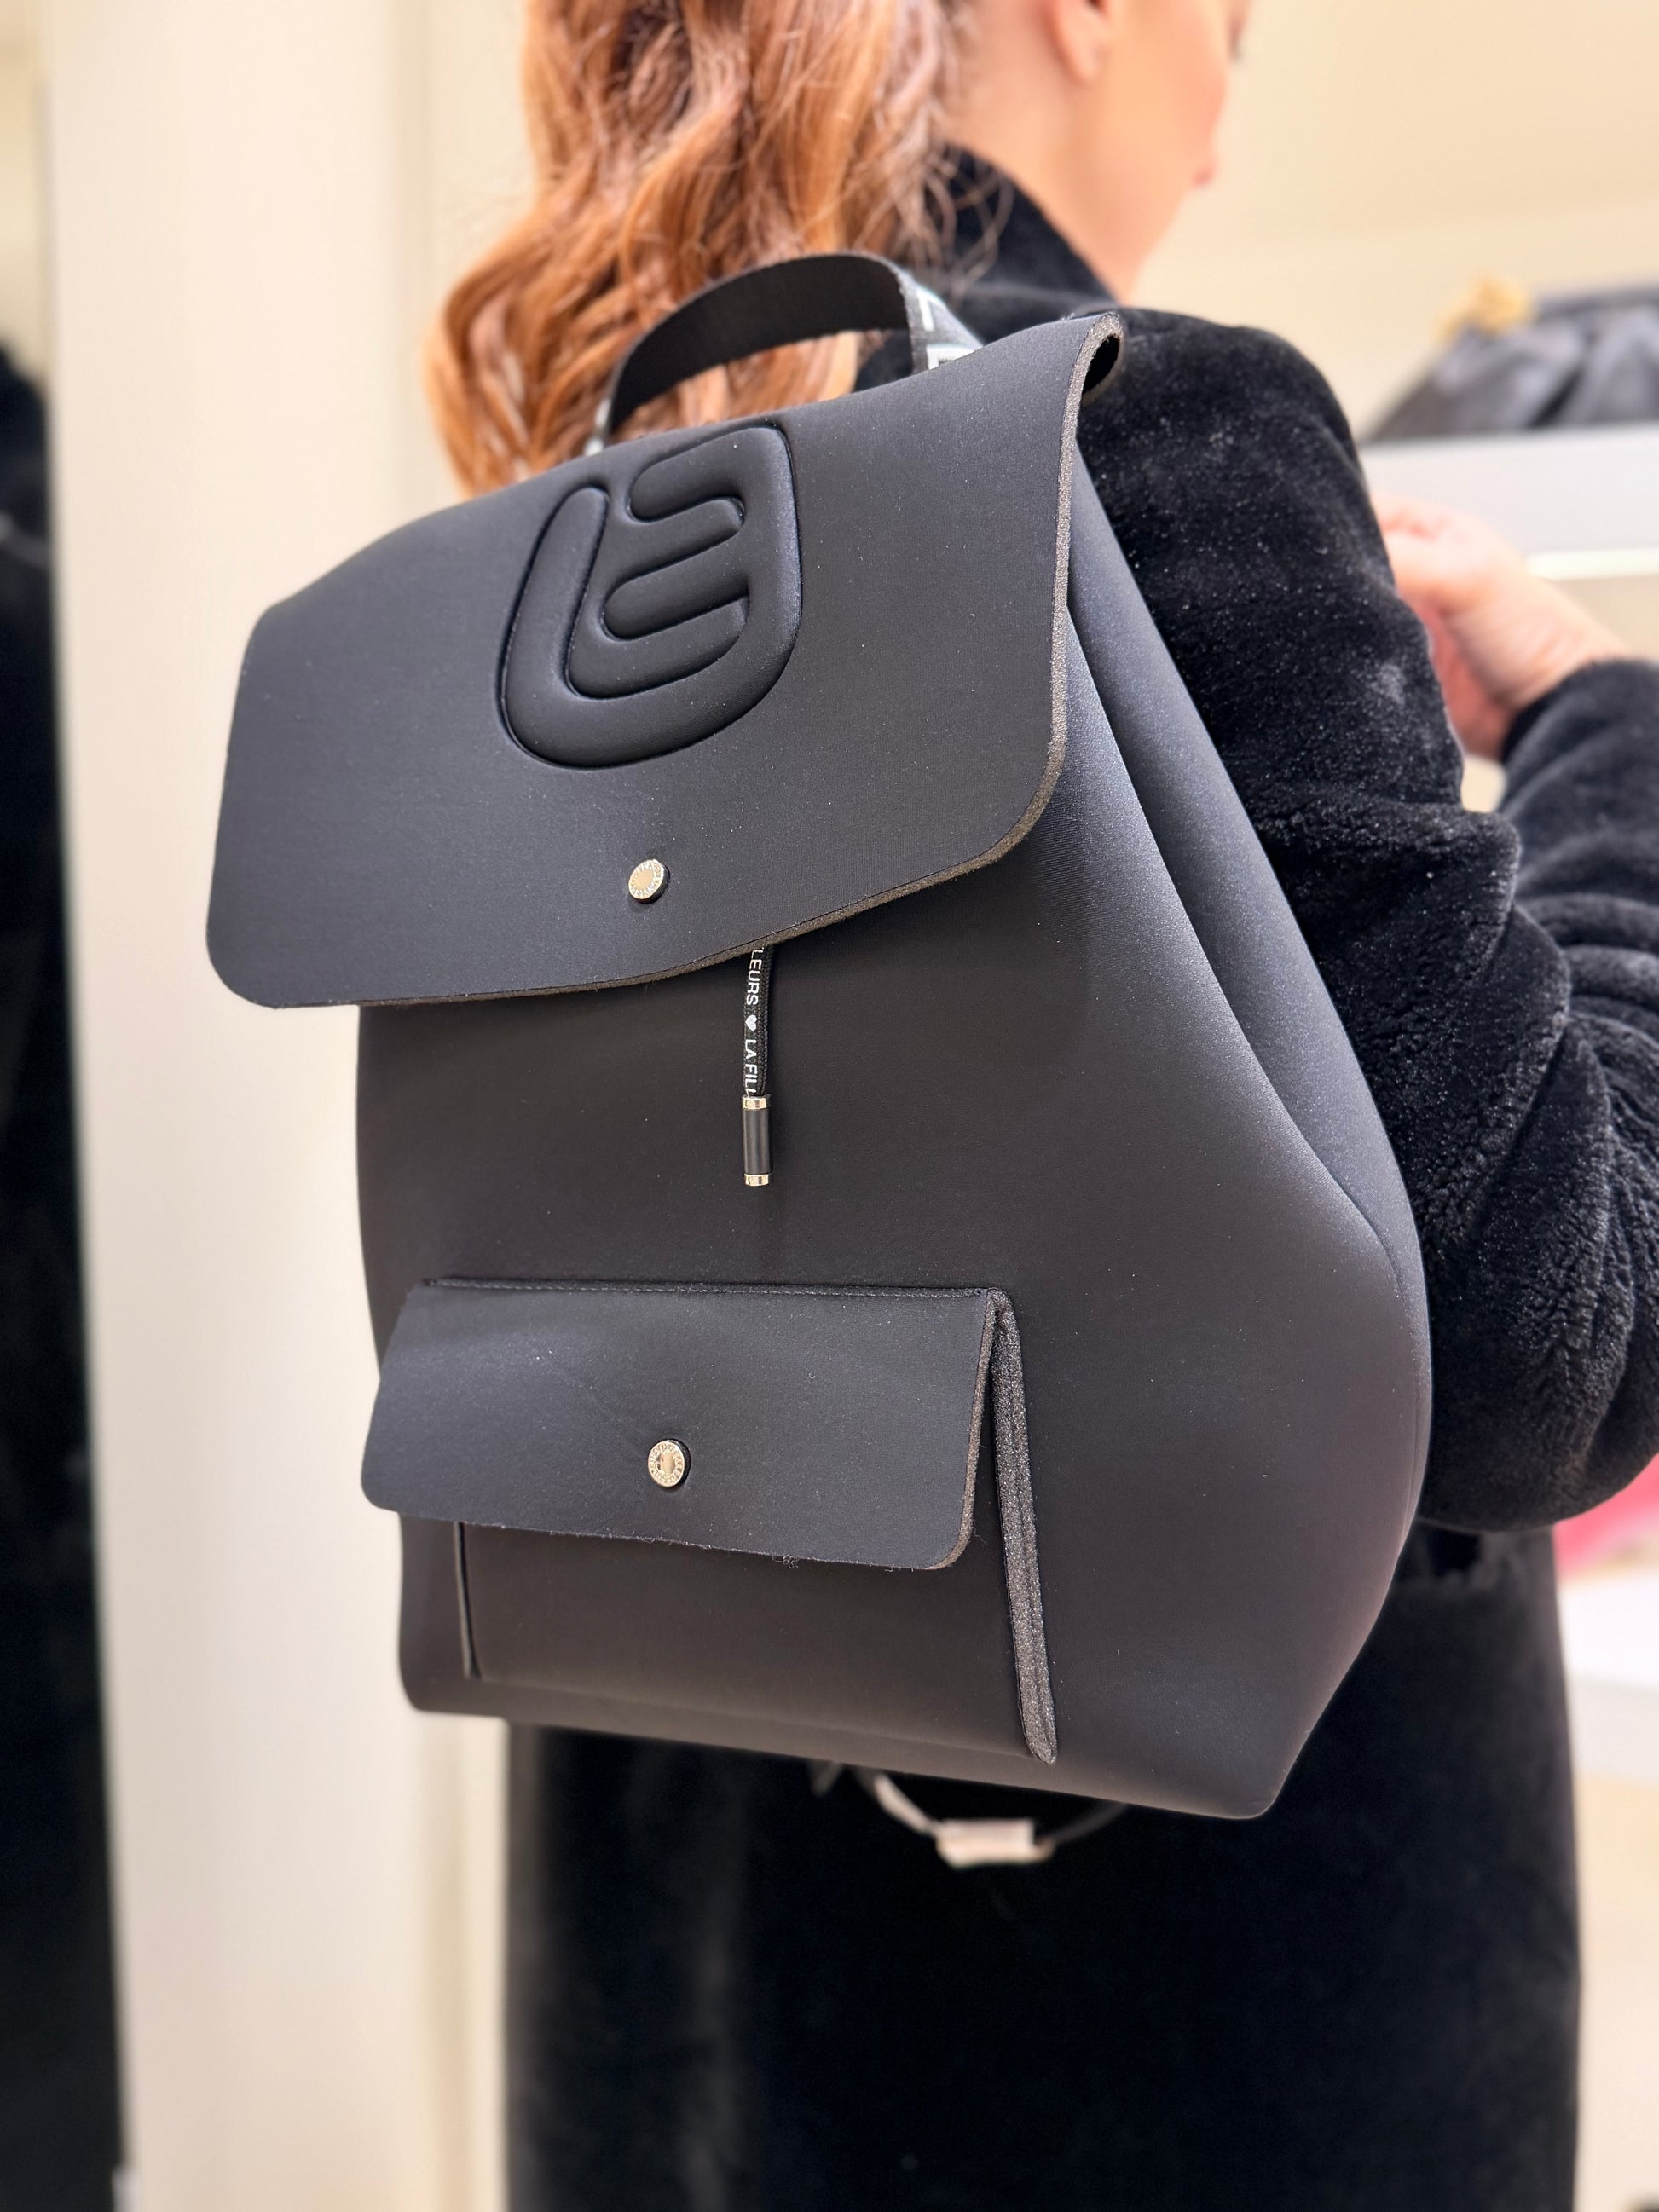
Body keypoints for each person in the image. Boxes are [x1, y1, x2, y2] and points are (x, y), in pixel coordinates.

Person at [430, 3, 1659, 2205]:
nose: (1226, 114)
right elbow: (1550, 1352)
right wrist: (1601, 733)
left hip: (704, 2000)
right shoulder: (1157, 439)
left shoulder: (576, 534)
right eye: (1236, 28)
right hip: (1186, 2041)